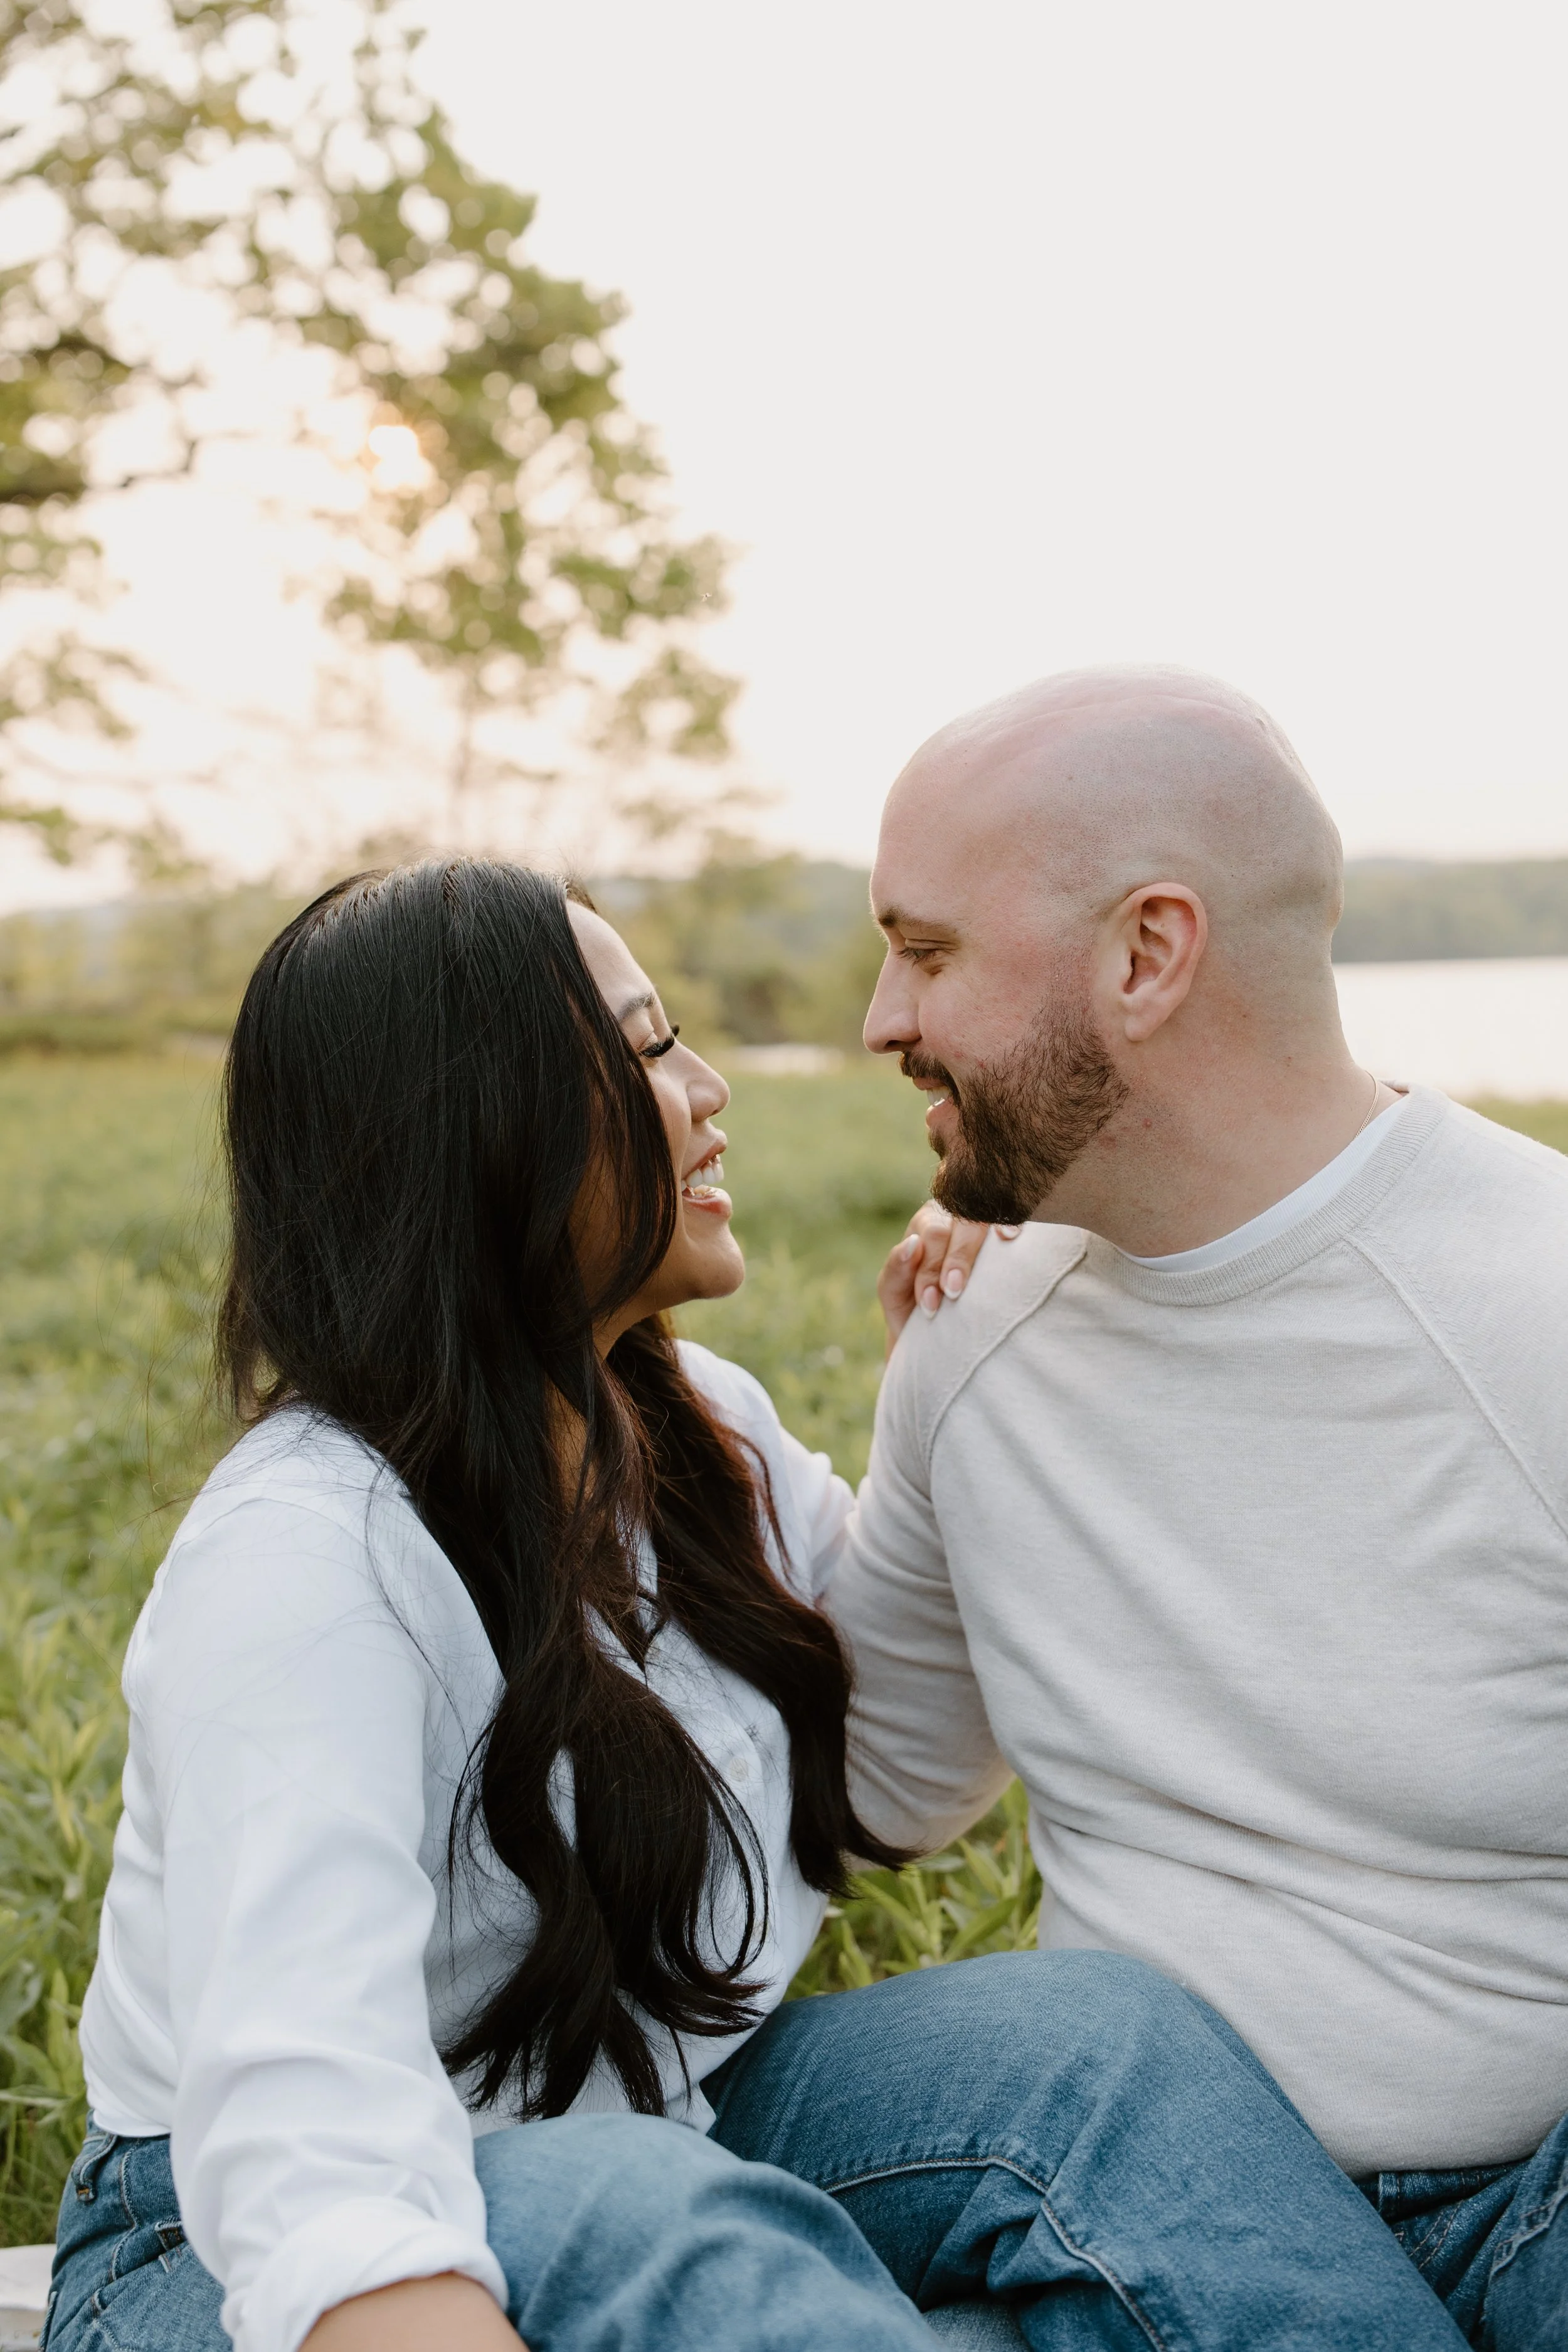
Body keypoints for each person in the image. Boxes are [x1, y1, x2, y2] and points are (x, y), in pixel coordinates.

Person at [41, 859, 1471, 2352]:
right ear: (480, 1127)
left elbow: (899, 1714)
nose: (712, 1088)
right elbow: (296, 2115)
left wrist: (988, 1329)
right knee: (638, 2209)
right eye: (652, 1048)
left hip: (652, 2117)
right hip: (228, 2250)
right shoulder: (307, 1560)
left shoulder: (691, 1427)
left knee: (1094, 2046)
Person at [844, 665, 1568, 2348]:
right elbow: (868, 1777)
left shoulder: (1534, 1307)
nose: (883, 1015)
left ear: (1146, 954)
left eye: (927, 949)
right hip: (1119, 2226)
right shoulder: (971, 1340)